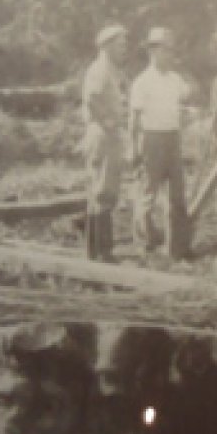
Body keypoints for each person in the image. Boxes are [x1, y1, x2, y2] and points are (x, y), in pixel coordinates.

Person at [129, 27, 194, 261]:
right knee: (148, 192)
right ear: (153, 52)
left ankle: (176, 247)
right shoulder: (142, 82)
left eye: (171, 51)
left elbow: (188, 95)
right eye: (165, 51)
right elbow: (134, 119)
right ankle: (144, 243)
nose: (170, 56)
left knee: (177, 193)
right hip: (151, 139)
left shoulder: (175, 79)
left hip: (172, 138)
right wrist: (134, 147)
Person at [82, 24, 129, 262]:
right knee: (103, 190)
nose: (124, 49)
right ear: (107, 46)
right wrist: (108, 122)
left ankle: (96, 250)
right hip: (102, 134)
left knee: (103, 191)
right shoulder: (100, 69)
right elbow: (92, 98)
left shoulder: (111, 69)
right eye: (120, 44)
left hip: (108, 133)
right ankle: (102, 251)